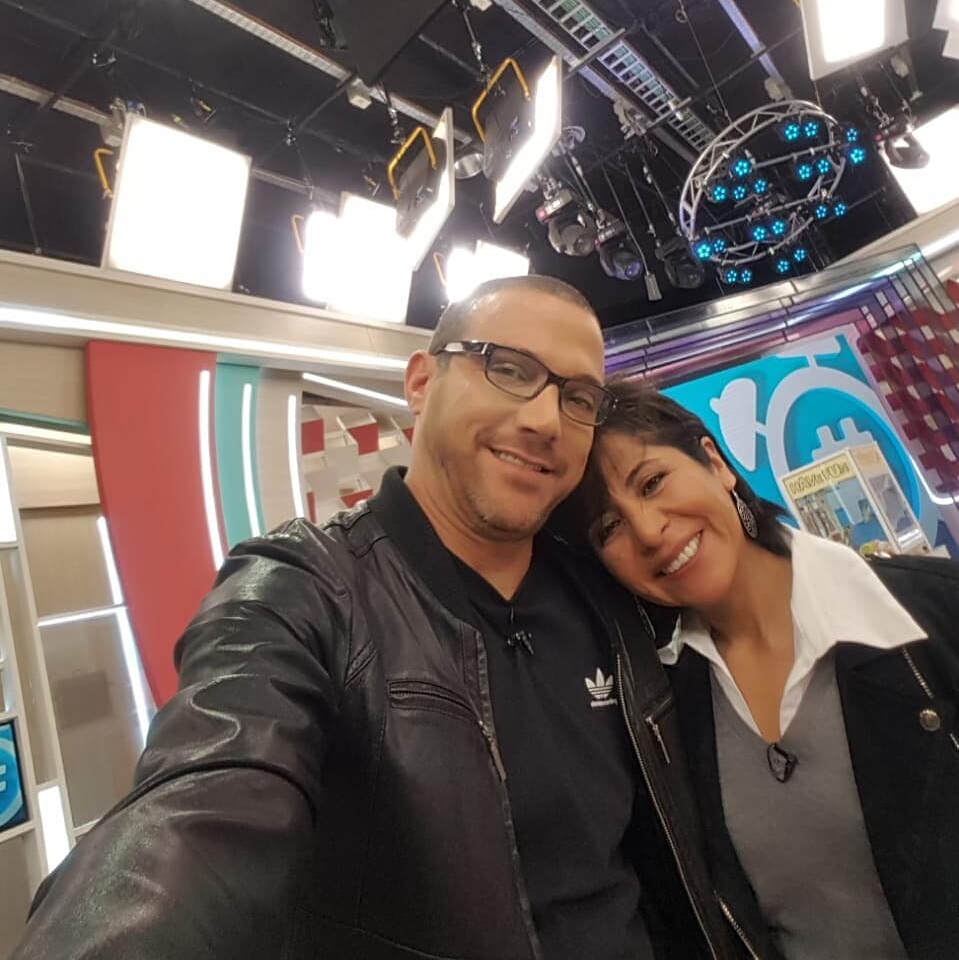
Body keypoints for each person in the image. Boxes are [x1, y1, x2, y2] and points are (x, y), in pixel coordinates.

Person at [12, 276, 737, 960]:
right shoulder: (304, 591)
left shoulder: (604, 586)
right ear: (420, 382)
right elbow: (201, 806)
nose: (545, 419)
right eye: (509, 368)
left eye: (577, 397)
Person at [571, 381, 959, 960]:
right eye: (609, 528)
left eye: (652, 483)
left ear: (714, 462)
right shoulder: (663, 714)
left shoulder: (932, 612)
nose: (648, 531)